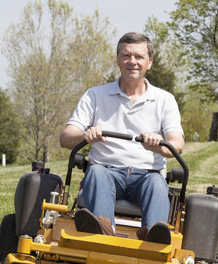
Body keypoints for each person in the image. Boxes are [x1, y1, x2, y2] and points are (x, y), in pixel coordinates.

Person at [59, 32, 184, 243]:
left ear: (149, 63)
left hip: (147, 175)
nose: (132, 62)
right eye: (126, 56)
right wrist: (85, 135)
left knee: (156, 182)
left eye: (139, 57)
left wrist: (158, 145)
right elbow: (65, 138)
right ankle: (102, 231)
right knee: (96, 172)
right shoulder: (95, 95)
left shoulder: (165, 100)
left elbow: (177, 144)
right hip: (106, 172)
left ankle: (153, 238)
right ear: (118, 60)